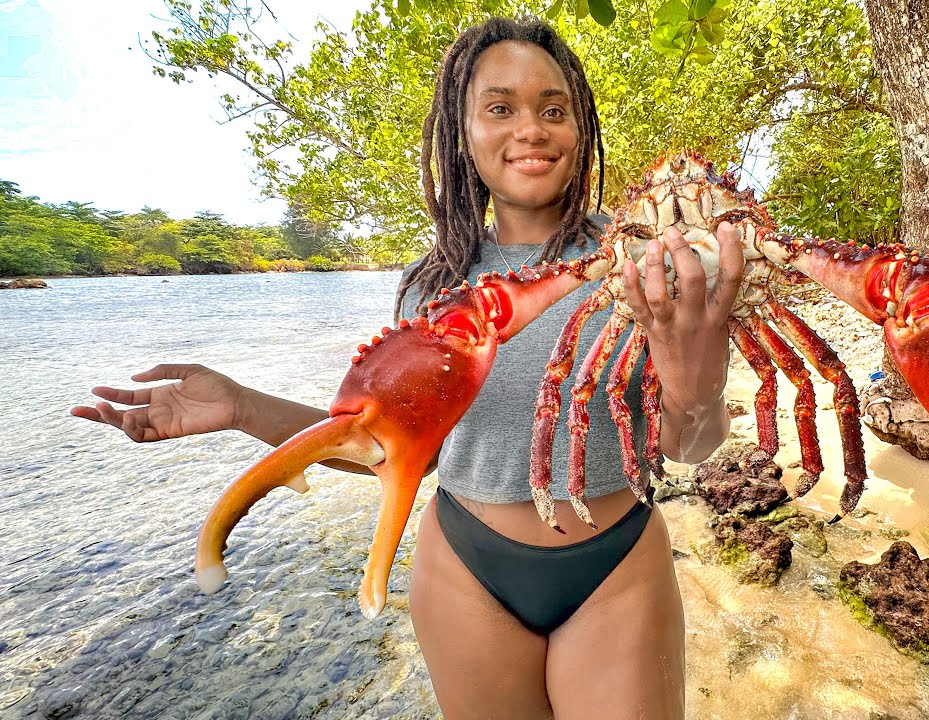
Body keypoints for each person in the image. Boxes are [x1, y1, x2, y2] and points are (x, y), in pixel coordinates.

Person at [72, 17, 742, 720]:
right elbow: (388, 455)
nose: (531, 129)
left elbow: (689, 447)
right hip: (466, 570)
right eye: (500, 107)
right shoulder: (433, 288)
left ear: (580, 128)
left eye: (554, 109)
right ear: (463, 132)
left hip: (616, 566)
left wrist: (695, 372)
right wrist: (241, 406)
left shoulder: (652, 262)